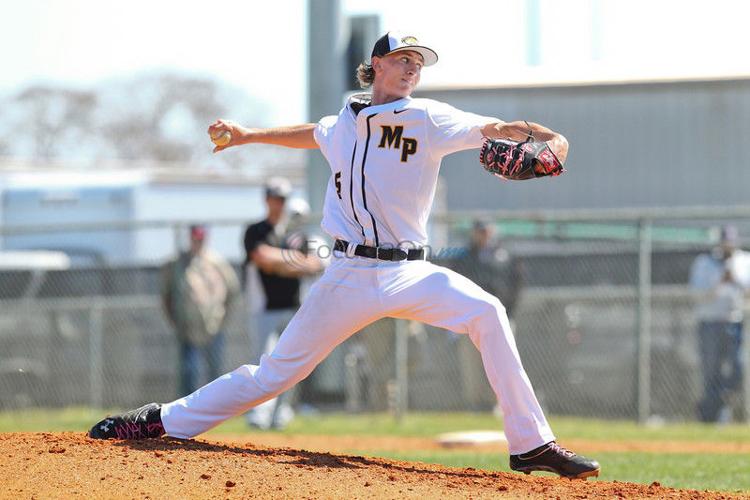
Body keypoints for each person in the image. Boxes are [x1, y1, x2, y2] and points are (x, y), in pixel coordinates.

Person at [89, 31, 599, 479]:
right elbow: (310, 134)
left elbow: (497, 129)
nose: (413, 67)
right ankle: (159, 420)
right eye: (404, 58)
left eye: (419, 62)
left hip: (409, 270)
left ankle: (532, 444)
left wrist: (552, 140)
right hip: (348, 274)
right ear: (376, 64)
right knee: (274, 375)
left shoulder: (428, 117)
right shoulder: (343, 122)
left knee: (487, 312)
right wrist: (249, 135)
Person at [243, 178, 324, 429]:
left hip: (293, 309)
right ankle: (259, 416)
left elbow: (314, 264)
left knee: (289, 363)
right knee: (263, 364)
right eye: (275, 198)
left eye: (283, 199)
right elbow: (262, 258)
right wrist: (293, 262)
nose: (279, 204)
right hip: (264, 309)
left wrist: (281, 263)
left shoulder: (295, 235)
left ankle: (280, 414)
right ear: (266, 199)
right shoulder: (256, 230)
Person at [442, 218, 525, 411]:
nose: (483, 235)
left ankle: (499, 404)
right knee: (471, 364)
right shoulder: (463, 257)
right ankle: (475, 404)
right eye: (480, 231)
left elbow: (517, 284)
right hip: (469, 320)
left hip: (502, 318)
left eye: (486, 230)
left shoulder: (506, 255)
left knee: (501, 363)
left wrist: (509, 312)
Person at [160, 225, 240, 396]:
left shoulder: (216, 261)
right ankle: (185, 410)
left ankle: (217, 405)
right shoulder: (178, 263)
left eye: (201, 239)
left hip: (213, 325)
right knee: (189, 372)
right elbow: (166, 295)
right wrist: (174, 320)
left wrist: (224, 318)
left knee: (215, 371)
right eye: (195, 239)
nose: (198, 242)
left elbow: (233, 290)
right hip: (188, 328)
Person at [689, 225, 750, 423]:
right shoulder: (705, 262)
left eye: (730, 242)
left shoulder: (743, 261)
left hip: (735, 322)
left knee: (738, 369)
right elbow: (696, 294)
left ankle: (717, 403)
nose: (727, 246)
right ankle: (711, 417)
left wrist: (735, 281)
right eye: (724, 242)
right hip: (710, 323)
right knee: (711, 372)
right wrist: (719, 283)